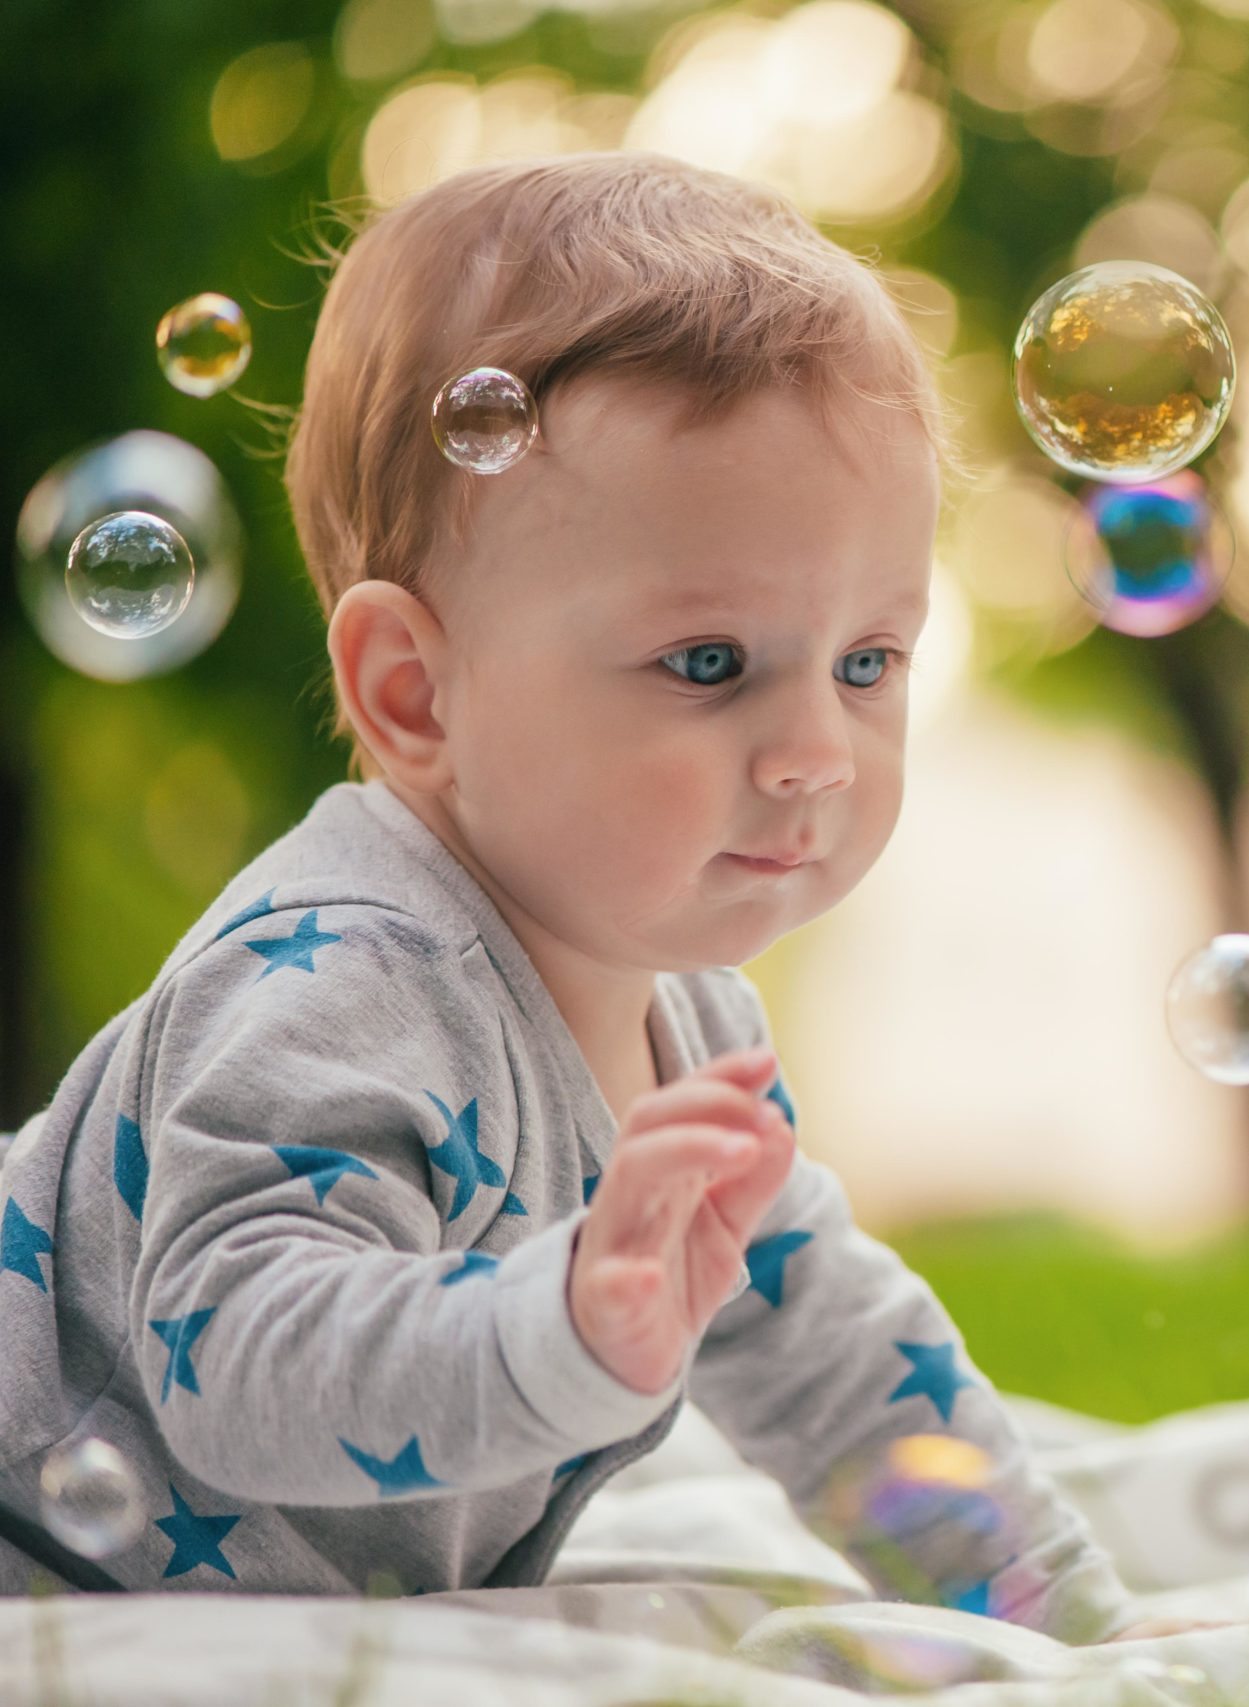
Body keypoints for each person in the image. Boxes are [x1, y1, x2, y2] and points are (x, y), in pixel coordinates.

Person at [0, 151, 1152, 1642]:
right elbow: (235, 1360)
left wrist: (1068, 1620)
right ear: (418, 695)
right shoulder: (339, 977)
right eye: (709, 664)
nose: (815, 753)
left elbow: (831, 1349)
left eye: (869, 661)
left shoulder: (683, 1007)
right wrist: (556, 1323)